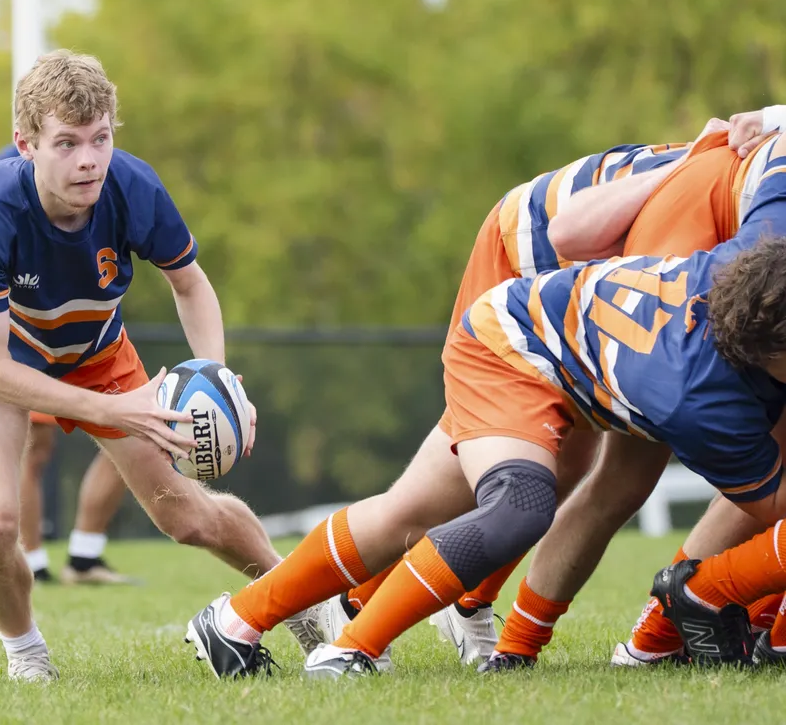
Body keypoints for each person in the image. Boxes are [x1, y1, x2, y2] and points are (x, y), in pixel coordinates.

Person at [185, 128, 786, 680]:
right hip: (522, 298)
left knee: (465, 499)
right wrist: (701, 152)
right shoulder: (705, 239)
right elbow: (570, 235)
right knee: (524, 496)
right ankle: (369, 630)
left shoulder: (760, 219)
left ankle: (249, 620)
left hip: (562, 316)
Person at [0, 50, 322, 681]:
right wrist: (115, 412)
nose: (89, 160)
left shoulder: (133, 187)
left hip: (96, 352)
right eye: (67, 143)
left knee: (187, 517)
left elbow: (190, 285)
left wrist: (213, 376)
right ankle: (27, 658)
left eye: (100, 138)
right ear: (24, 145)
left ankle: (304, 606)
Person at [480, 108, 786, 671]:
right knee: (605, 477)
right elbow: (569, 231)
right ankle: (500, 628)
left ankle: (665, 631)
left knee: (609, 481)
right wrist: (764, 118)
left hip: (716, 281)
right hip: (682, 282)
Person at [0, 144, 136, 586]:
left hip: (73, 328)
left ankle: (84, 554)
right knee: (33, 449)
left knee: (133, 428)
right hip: (15, 337)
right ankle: (32, 560)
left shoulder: (99, 173)